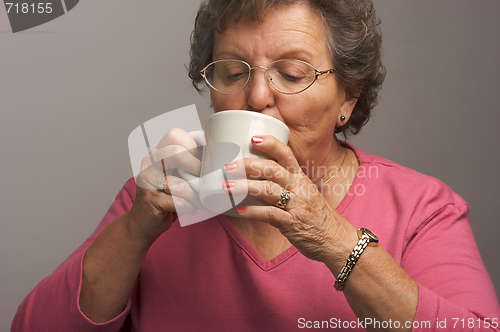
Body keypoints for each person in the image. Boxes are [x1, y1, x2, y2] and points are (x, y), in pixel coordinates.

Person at [11, 0, 500, 331]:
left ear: (348, 95)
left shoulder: (420, 207)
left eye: (291, 73)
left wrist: (329, 235)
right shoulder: (160, 200)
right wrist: (136, 229)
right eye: (231, 72)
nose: (257, 97)